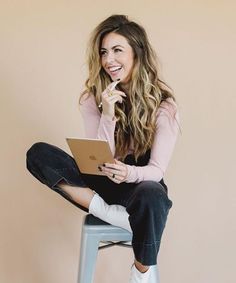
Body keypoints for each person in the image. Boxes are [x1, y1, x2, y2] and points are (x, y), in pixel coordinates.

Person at [26, 14, 180, 283]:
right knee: (38, 153)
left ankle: (140, 273)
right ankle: (108, 212)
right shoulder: (92, 98)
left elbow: (156, 170)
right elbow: (100, 155)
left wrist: (128, 173)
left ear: (137, 53)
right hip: (103, 181)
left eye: (117, 50)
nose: (109, 60)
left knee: (153, 194)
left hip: (139, 186)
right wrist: (108, 113)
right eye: (104, 52)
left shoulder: (164, 106)